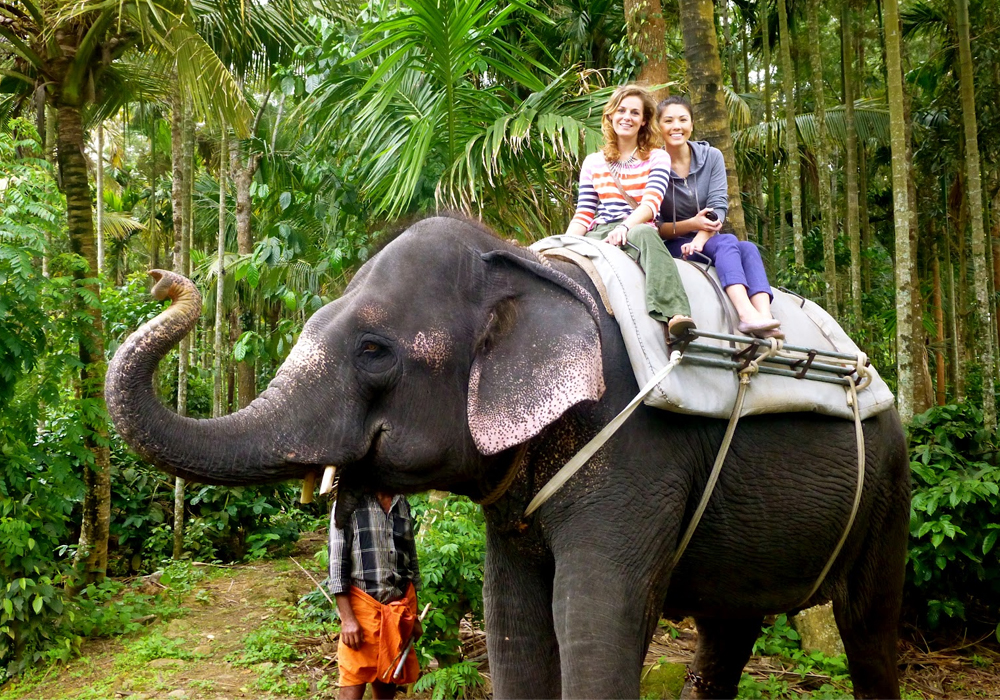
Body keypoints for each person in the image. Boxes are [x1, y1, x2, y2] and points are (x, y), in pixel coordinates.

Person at [565, 84, 695, 338]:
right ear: (610, 115)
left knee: (646, 236)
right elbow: (584, 213)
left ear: (644, 120)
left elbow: (651, 204)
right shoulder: (593, 162)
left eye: (635, 113)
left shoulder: (657, 157)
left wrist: (626, 226)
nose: (627, 117)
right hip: (600, 231)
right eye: (621, 110)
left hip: (638, 226)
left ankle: (674, 312)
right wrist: (562, 243)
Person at [655, 95, 783, 339]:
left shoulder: (711, 156)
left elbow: (718, 206)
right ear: (659, 127)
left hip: (706, 236)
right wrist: (692, 225)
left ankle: (764, 317)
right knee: (727, 242)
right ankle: (745, 314)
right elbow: (657, 226)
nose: (676, 126)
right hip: (674, 241)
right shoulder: (654, 164)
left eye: (683, 119)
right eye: (668, 121)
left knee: (747, 247)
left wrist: (700, 238)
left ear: (691, 125)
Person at [329, 492, 423, 700]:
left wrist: (413, 616)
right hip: (362, 612)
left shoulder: (402, 503)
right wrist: (348, 620)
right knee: (352, 681)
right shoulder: (347, 503)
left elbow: (412, 561)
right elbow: (337, 569)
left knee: (387, 677)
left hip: (397, 611)